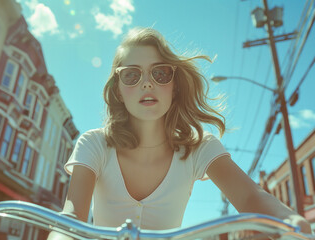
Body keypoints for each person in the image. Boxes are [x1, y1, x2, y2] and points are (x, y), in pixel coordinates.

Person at [47, 27, 311, 239]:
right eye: (131, 75)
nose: (147, 82)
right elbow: (71, 216)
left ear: (174, 86)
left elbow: (249, 195)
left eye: (160, 73)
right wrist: (60, 236)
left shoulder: (200, 148)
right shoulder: (94, 143)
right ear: (118, 90)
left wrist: (290, 221)